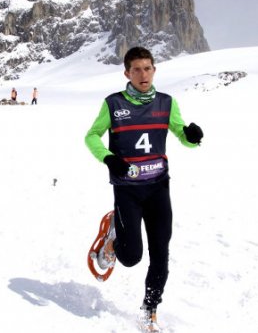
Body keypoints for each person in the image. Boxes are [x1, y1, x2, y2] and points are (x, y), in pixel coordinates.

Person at [84, 47, 203, 332]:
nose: (142, 74)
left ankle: (150, 308)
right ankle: (113, 237)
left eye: (147, 68)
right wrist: (109, 158)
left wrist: (191, 137)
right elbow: (91, 137)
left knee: (161, 251)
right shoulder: (113, 104)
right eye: (136, 69)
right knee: (131, 257)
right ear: (127, 73)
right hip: (127, 190)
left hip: (159, 187)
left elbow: (180, 133)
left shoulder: (166, 103)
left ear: (154, 70)